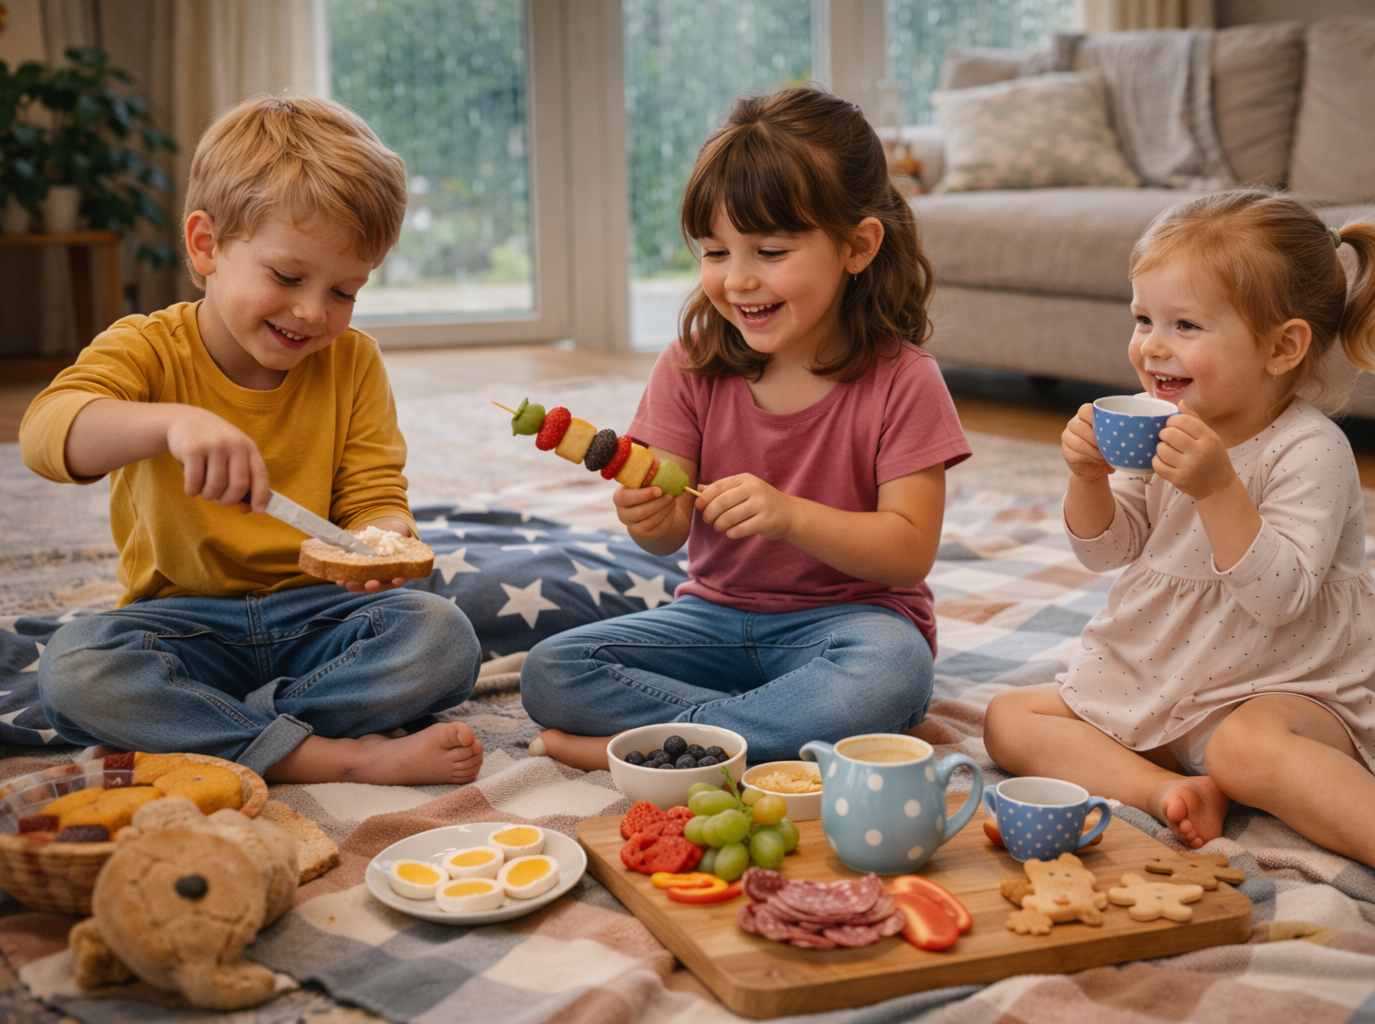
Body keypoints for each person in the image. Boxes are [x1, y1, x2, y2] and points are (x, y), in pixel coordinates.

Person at [983, 190, 1375, 940]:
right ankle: (1171, 793)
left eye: (1185, 326)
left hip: (1288, 685)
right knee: (1008, 717)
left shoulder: (1309, 450)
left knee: (1245, 747)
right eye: (1144, 319)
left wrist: (1219, 487)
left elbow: (1279, 598)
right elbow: (1106, 550)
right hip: (1166, 675)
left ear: (1282, 347)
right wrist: (1087, 478)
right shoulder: (1154, 423)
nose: (1153, 346)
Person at [22, 96, 483, 785]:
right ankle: (331, 755)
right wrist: (172, 423)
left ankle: (222, 730)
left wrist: (383, 538)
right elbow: (48, 432)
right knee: (75, 670)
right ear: (206, 245)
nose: (312, 312)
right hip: (179, 624)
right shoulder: (147, 349)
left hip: (320, 616)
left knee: (442, 637)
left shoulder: (353, 362)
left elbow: (374, 494)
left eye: (345, 291)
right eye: (288, 277)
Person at [523, 86, 971, 770]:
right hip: (714, 622)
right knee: (553, 669)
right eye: (714, 251)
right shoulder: (690, 366)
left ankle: (664, 745)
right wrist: (647, 513)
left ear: (857, 246)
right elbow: (669, 531)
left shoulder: (905, 381)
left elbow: (908, 551)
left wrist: (790, 515)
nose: (737, 280)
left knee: (892, 676)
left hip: (851, 629)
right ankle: (747, 734)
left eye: (768, 250)